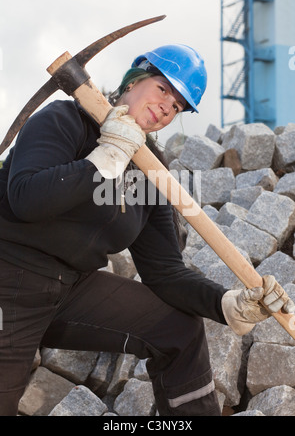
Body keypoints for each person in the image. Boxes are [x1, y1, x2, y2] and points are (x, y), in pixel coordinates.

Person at [0, 44, 294, 417]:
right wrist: (106, 157)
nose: (166, 107)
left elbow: (165, 272)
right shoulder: (64, 120)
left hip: (70, 288)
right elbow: (26, 199)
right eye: (162, 89)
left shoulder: (150, 170)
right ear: (134, 79)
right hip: (10, 281)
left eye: (176, 107)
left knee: (178, 330)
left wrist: (227, 304)